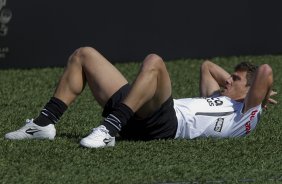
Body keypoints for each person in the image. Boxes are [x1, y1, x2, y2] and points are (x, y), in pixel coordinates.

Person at [4, 47, 277, 148]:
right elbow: (207, 66)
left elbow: (265, 71)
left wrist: (260, 96)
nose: (228, 79)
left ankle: (109, 129)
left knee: (155, 61)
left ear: (252, 91)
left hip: (167, 125)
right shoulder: (220, 97)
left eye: (236, 79)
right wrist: (234, 82)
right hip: (143, 111)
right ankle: (43, 124)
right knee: (83, 55)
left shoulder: (245, 114)